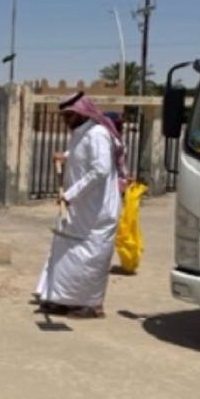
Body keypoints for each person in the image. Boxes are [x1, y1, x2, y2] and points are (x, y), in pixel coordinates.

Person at [35, 94, 126, 319]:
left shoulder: (98, 133)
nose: (65, 120)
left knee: (90, 255)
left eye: (69, 116)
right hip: (79, 207)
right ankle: (63, 299)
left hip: (97, 209)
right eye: (64, 116)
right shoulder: (82, 133)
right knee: (67, 251)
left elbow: (100, 169)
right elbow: (82, 154)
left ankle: (91, 305)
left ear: (82, 114)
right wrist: (65, 156)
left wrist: (70, 194)